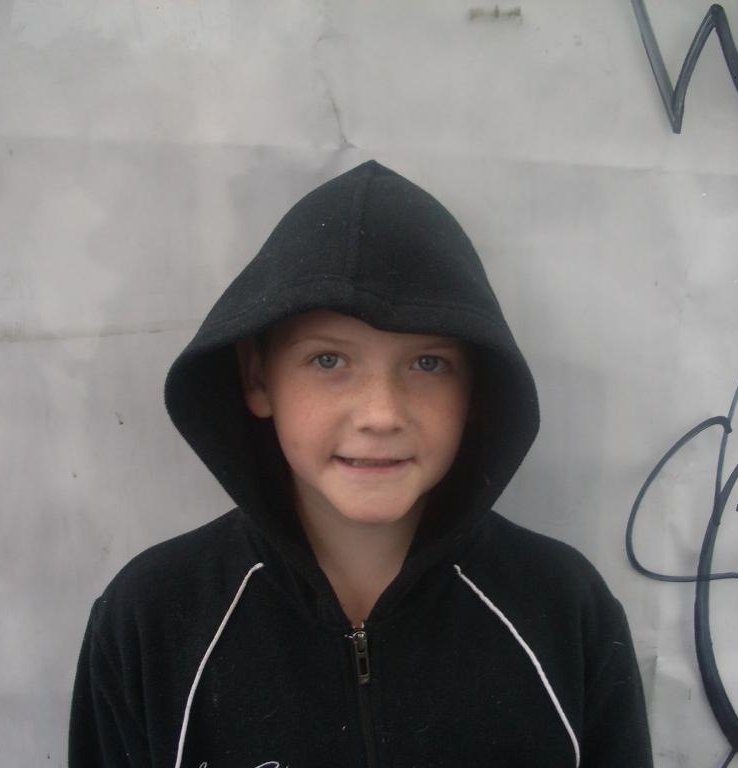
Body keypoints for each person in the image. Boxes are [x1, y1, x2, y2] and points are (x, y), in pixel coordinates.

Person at [69, 160, 652, 767]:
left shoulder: (564, 610)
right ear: (257, 378)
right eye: (328, 361)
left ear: (475, 389)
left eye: (428, 364)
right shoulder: (151, 620)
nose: (381, 414)